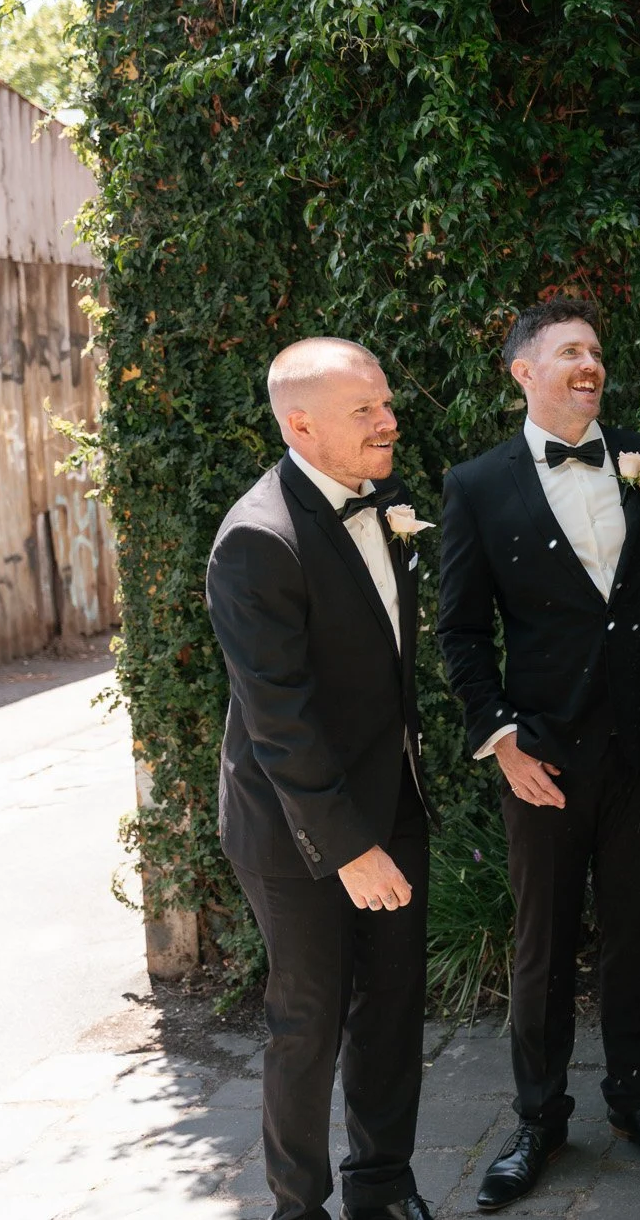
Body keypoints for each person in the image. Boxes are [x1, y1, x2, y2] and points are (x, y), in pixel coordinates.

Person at [436, 297, 640, 1210]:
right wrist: (501, 742)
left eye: (597, 351)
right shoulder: (477, 485)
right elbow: (462, 633)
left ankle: (635, 1099)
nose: (590, 365)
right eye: (569, 352)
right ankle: (539, 1118)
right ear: (524, 371)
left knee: (633, 936)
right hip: (540, 758)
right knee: (542, 946)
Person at [205, 338, 436, 1220]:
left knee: (392, 1009)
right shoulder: (256, 541)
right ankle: (298, 1206)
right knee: (307, 1022)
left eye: (384, 401)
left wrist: (391, 820)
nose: (389, 421)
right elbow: (280, 722)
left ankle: (383, 1186)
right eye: (366, 411)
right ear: (301, 425)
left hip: (394, 794)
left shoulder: (390, 501)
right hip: (294, 824)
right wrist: (348, 848)